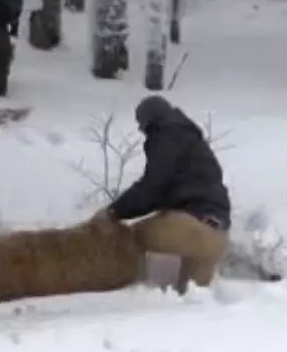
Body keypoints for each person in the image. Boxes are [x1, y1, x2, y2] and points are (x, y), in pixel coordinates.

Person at [91, 96, 232, 295]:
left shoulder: (166, 135)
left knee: (129, 237)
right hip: (218, 235)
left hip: (192, 226)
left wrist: (113, 212)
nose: (142, 131)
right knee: (193, 301)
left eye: (142, 126)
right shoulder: (191, 140)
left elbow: (152, 188)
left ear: (151, 121)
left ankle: (126, 290)